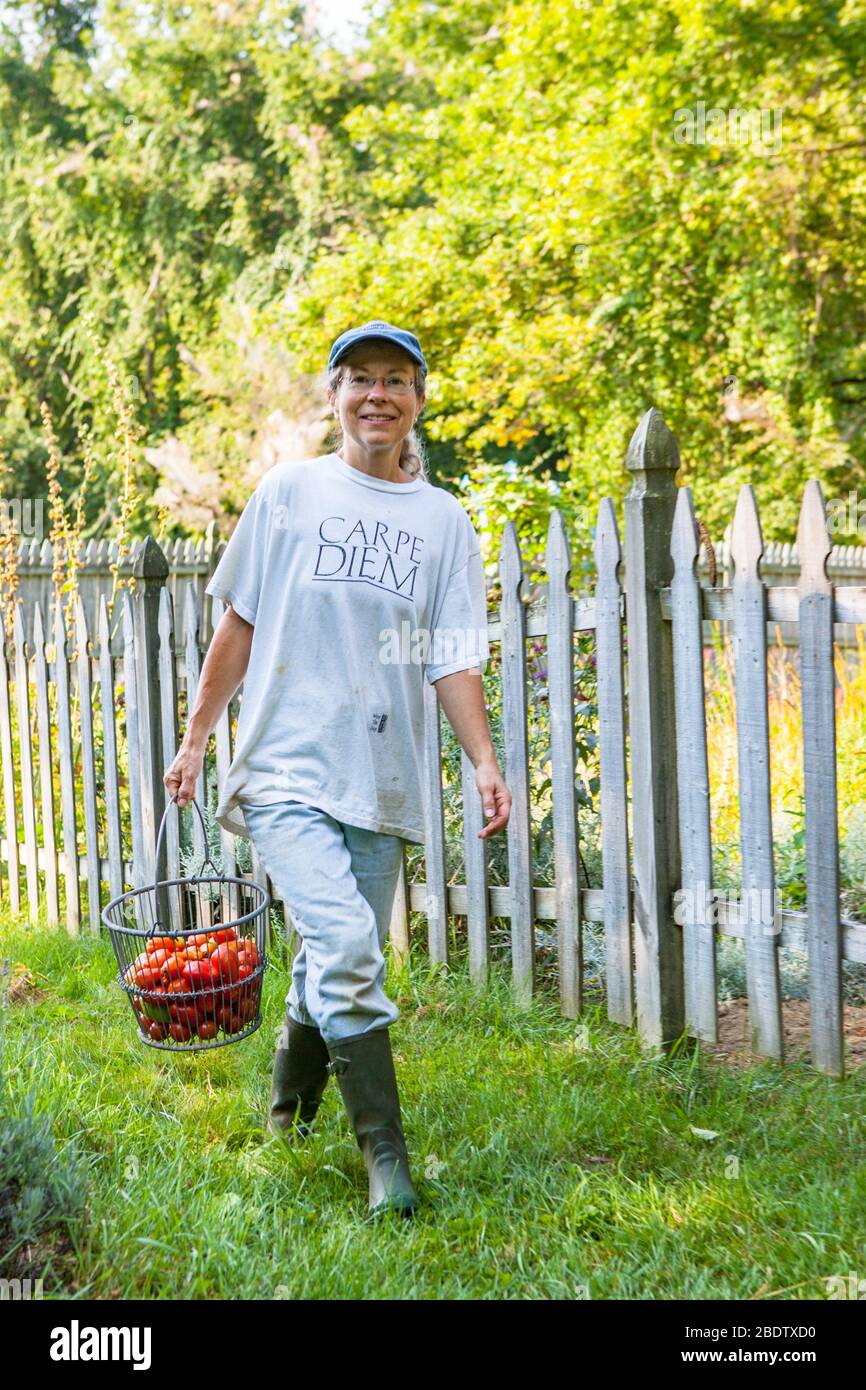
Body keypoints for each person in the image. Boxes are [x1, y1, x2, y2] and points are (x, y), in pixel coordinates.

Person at [163, 320, 512, 1218]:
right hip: (284, 765)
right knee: (353, 948)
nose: (378, 396)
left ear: (418, 401)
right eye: (360, 379)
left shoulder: (443, 521)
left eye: (397, 380)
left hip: (383, 774)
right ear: (333, 395)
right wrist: (199, 736)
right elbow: (236, 626)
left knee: (334, 953)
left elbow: (451, 655)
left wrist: (483, 762)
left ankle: (286, 1114)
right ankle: (386, 1163)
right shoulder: (289, 493)